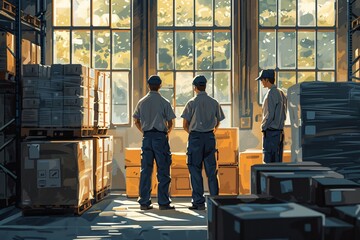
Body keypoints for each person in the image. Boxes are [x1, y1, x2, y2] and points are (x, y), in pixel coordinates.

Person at [181, 75, 225, 210]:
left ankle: (198, 203)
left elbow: (185, 124)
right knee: (212, 171)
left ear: (195, 87)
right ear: (205, 86)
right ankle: (215, 202)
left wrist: (194, 133)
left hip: (195, 139)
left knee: (195, 170)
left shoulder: (191, 103)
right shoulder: (214, 102)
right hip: (210, 138)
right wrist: (211, 130)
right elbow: (218, 121)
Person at [133, 75, 176, 210]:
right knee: (163, 170)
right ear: (160, 86)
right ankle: (163, 202)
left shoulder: (142, 102)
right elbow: (171, 122)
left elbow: (136, 120)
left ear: (148, 85)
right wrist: (166, 133)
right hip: (160, 137)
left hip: (147, 138)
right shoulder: (165, 102)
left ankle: (144, 202)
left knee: (146, 170)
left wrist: (144, 132)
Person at [255, 69, 287, 163]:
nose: (261, 82)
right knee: (277, 161)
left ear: (267, 80)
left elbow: (270, 114)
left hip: (271, 133)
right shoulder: (281, 92)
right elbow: (284, 114)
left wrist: (263, 126)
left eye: (262, 80)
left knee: (268, 162)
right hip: (279, 132)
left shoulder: (271, 94)